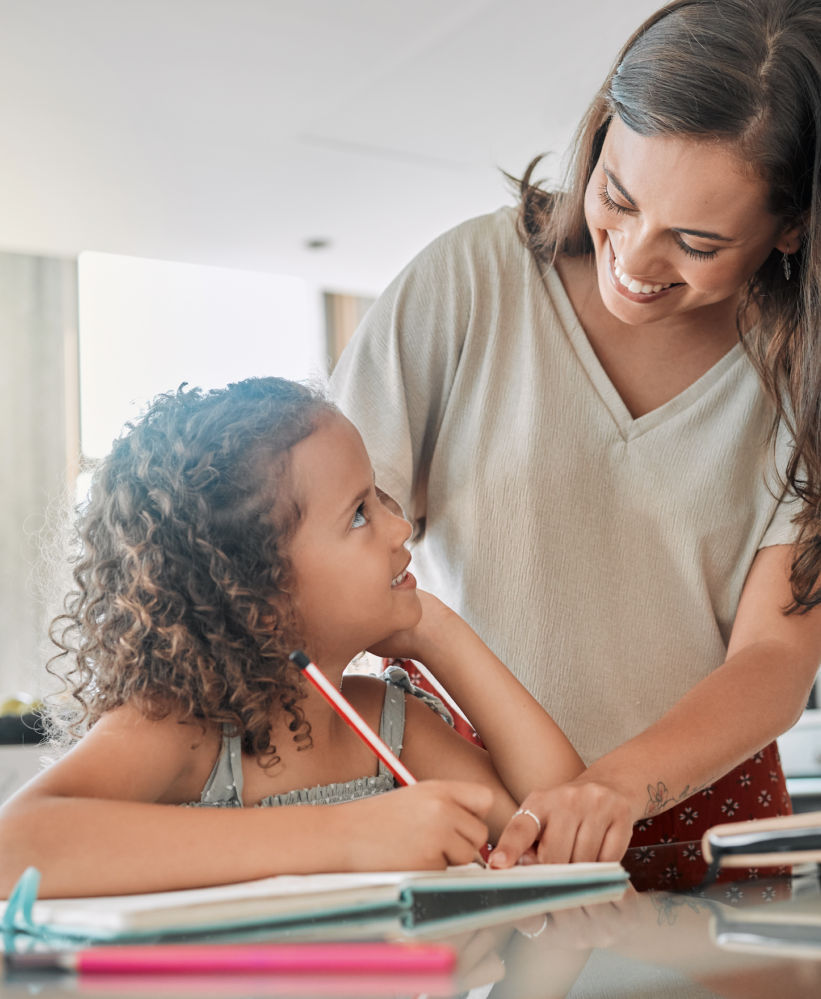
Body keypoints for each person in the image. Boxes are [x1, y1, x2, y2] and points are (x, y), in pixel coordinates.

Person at [332, 0, 821, 887]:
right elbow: (329, 536)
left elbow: (775, 657)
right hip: (477, 806)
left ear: (792, 229)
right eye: (616, 196)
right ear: (598, 136)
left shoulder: (819, 381)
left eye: (697, 243)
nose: (632, 260)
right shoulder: (472, 281)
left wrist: (618, 786)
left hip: (703, 814)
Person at [0, 378, 586, 899]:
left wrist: (441, 634)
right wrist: (347, 835)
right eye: (359, 514)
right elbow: (15, 846)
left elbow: (559, 830)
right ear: (256, 586)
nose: (400, 526)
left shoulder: (387, 724)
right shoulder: (186, 731)